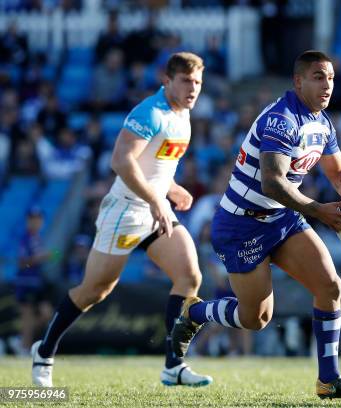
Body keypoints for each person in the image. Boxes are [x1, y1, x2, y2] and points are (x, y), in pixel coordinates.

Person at [171, 50, 341, 400]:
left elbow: (339, 174)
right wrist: (322, 212)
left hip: (281, 219)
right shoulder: (282, 119)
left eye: (330, 77)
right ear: (298, 81)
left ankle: (329, 380)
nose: (327, 85)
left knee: (330, 286)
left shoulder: (322, 123)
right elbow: (273, 183)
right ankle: (196, 311)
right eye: (317, 77)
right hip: (241, 226)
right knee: (256, 319)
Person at [31, 52, 212, 388]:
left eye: (197, 82)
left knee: (189, 276)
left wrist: (171, 189)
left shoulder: (184, 113)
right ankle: (44, 351)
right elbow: (121, 161)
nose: (192, 88)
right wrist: (156, 197)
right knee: (95, 290)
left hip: (156, 208)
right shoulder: (150, 112)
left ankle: (174, 364)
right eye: (186, 81)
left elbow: (156, 163)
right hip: (126, 211)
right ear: (167, 80)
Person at [13, 207, 53, 355]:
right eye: (32, 219)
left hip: (37, 282)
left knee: (45, 313)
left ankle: (20, 340)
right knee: (28, 315)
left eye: (38, 219)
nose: (35, 222)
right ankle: (23, 346)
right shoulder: (26, 238)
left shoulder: (37, 238)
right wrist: (41, 257)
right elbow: (22, 263)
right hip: (26, 282)